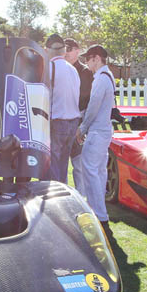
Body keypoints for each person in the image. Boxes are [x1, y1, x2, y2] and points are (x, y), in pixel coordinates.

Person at [76, 44, 114, 231]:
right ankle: (99, 213)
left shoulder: (101, 79)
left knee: (90, 170)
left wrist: (82, 128)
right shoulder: (107, 76)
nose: (86, 63)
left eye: (87, 59)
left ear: (96, 58)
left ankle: (97, 214)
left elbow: (93, 107)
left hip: (98, 131)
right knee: (98, 172)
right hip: (103, 130)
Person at [45, 34, 81, 183]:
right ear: (64, 51)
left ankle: (54, 199)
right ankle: (63, 195)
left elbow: (45, 96)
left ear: (47, 50)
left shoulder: (49, 67)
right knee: (63, 164)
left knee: (52, 164)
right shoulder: (73, 69)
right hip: (72, 121)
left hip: (57, 120)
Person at [65, 38, 93, 192]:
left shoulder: (85, 72)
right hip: (60, 123)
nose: (66, 52)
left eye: (70, 48)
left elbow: (88, 101)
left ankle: (81, 197)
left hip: (79, 123)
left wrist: (82, 126)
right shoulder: (57, 69)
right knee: (59, 164)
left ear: (77, 50)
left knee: (79, 165)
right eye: (64, 48)